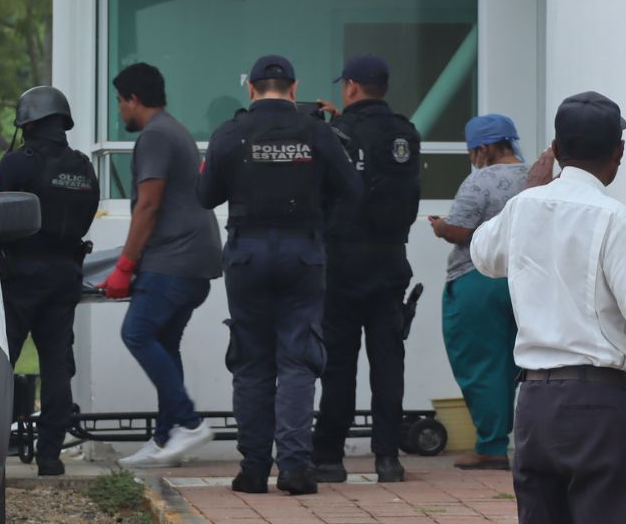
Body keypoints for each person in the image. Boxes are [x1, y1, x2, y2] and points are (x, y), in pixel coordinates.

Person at [471, 92, 626, 523]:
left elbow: (483, 254)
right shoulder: (613, 217)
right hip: (595, 406)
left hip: (533, 404)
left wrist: (530, 190)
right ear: (618, 152)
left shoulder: (523, 208)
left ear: (556, 149)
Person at [197, 55, 362, 495]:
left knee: (251, 364)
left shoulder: (231, 132)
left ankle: (253, 470)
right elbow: (353, 189)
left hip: (247, 255)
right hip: (302, 254)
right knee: (297, 360)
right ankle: (294, 468)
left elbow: (205, 194)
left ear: (250, 89)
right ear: (293, 88)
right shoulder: (316, 132)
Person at [0, 86, 100, 476]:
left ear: (25, 123)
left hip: (22, 275)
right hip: (65, 276)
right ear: (62, 122)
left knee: (1, 363)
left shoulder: (17, 164)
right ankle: (50, 457)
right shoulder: (82, 167)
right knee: (57, 366)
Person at [99, 63, 223, 467]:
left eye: (120, 102)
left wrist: (124, 265)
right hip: (195, 259)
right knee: (165, 345)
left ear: (134, 99)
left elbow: (148, 206)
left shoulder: (154, 137)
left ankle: (187, 422)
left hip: (173, 259)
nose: (120, 111)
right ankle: (166, 437)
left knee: (136, 333)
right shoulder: (176, 130)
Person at [311, 54, 420, 484]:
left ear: (352, 86)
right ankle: (388, 458)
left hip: (342, 261)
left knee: (339, 363)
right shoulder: (404, 132)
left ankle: (330, 457)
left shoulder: (336, 133)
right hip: (391, 258)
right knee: (388, 363)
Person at [428, 114, 528, 471]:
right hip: (520, 280)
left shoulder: (480, 181)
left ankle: (491, 446)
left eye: (473, 150)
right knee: (514, 364)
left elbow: (458, 231)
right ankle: (510, 443)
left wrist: (439, 226)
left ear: (483, 148)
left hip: (477, 278)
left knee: (478, 363)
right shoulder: (535, 177)